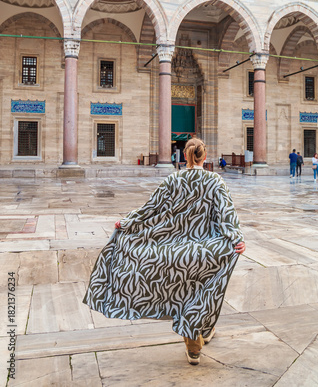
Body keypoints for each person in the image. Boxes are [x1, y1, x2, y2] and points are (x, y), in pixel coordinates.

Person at [83, 138, 245, 366]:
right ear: (204, 157)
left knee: (184, 293)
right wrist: (237, 240)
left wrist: (127, 222)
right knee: (202, 294)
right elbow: (227, 215)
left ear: (185, 157)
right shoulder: (215, 181)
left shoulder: (173, 180)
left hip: (173, 252)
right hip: (205, 253)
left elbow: (150, 209)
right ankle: (196, 342)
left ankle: (197, 340)